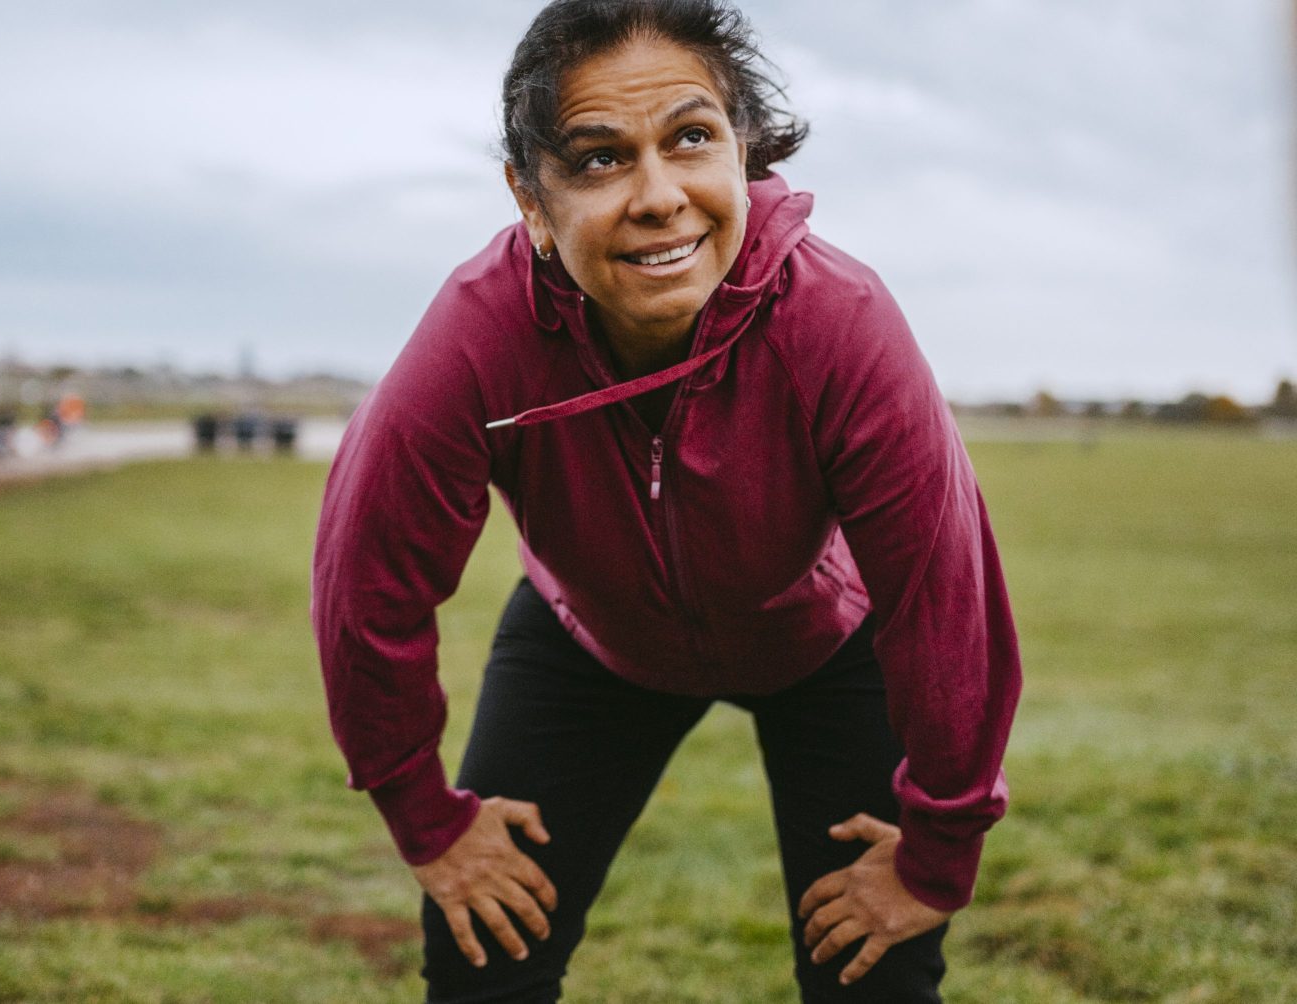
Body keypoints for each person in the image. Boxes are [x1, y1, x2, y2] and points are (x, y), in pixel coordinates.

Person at [311, 2, 1022, 1000]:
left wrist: (940, 845)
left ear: (745, 153)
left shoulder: (840, 320)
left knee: (875, 965)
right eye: (599, 158)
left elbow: (942, 594)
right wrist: (423, 813)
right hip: (590, 637)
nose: (658, 197)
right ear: (529, 194)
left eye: (691, 138)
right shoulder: (478, 335)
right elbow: (368, 584)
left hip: (825, 639)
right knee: (482, 952)